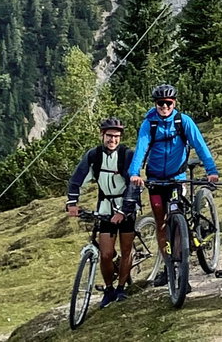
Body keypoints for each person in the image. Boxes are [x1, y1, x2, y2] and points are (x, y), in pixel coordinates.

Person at [129, 84, 218, 287]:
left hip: (177, 178)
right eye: (161, 103)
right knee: (161, 223)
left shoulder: (183, 121)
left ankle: (181, 266)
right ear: (155, 104)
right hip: (155, 180)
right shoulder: (149, 124)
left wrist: (211, 170)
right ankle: (169, 266)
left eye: (168, 103)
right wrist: (134, 173)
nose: (164, 107)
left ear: (174, 103)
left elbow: (199, 144)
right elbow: (141, 149)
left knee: (177, 220)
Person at [66, 117, 138, 307]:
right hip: (105, 206)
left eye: (116, 136)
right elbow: (77, 179)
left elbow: (133, 184)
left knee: (126, 250)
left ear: (120, 137)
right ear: (102, 136)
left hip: (126, 205)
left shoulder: (127, 155)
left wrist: (123, 211)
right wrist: (72, 203)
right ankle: (109, 289)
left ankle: (121, 288)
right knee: (106, 254)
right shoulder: (94, 156)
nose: (112, 140)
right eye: (109, 136)